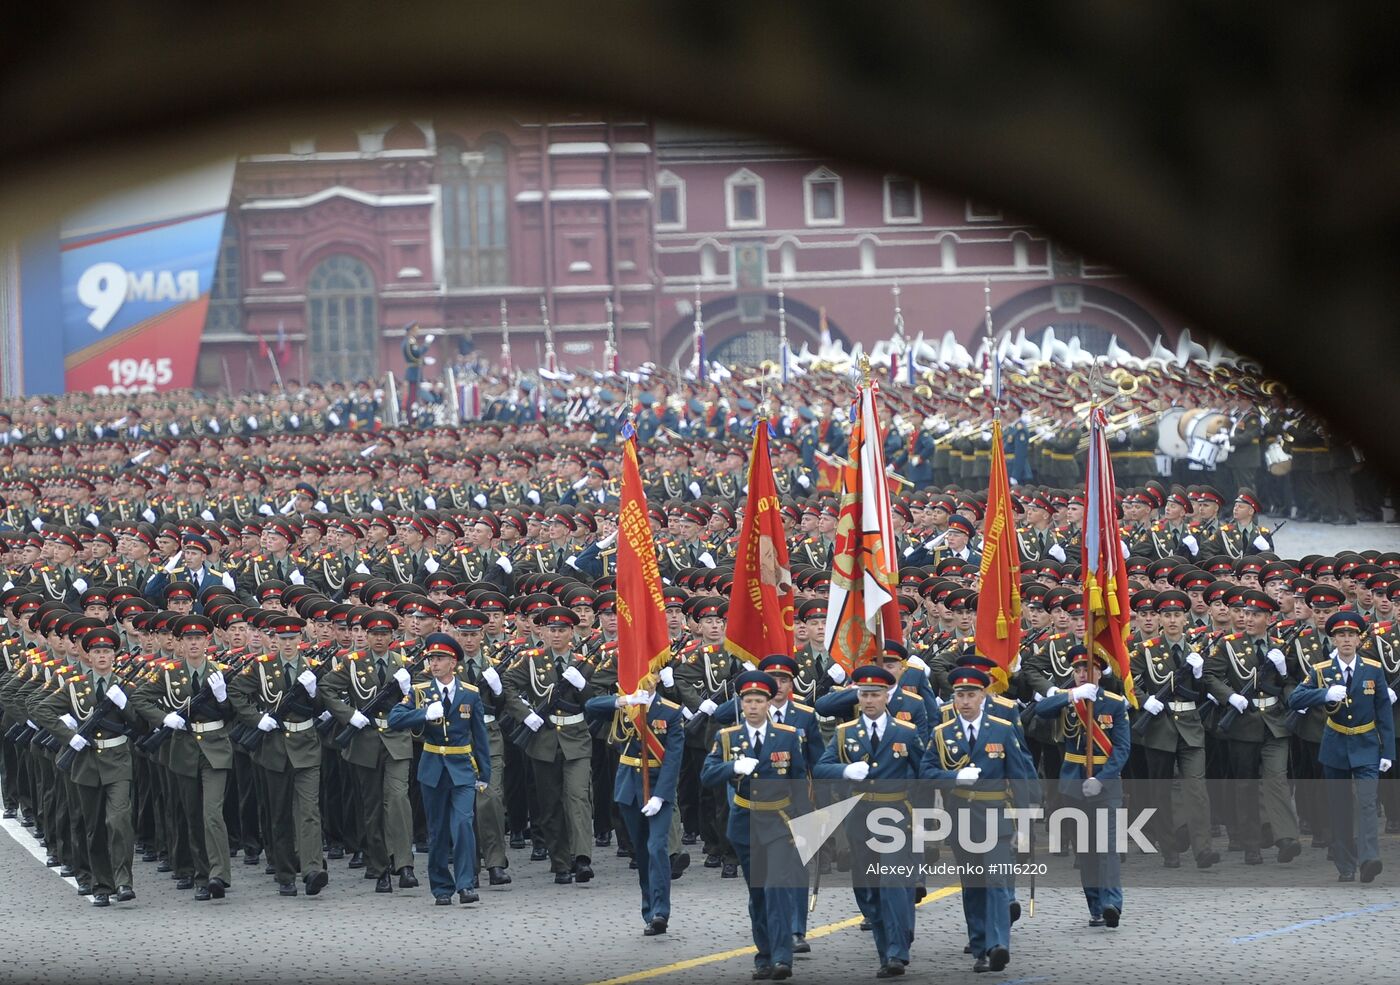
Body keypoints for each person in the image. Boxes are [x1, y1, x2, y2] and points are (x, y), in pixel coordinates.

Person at [918, 666, 1035, 974]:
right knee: (973, 885)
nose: (966, 701)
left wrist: (1025, 826)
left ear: (983, 696)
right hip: (960, 819)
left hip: (996, 816)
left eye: (972, 695)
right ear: (953, 698)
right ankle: (981, 946)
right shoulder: (941, 734)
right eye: (960, 695)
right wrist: (954, 776)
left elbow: (1020, 779)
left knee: (996, 881)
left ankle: (998, 945)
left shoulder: (1002, 729)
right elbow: (926, 774)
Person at [812, 664, 925, 978]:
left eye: (876, 694)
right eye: (864, 694)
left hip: (896, 818)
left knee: (892, 882)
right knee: (867, 888)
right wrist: (844, 771)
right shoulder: (845, 733)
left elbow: (923, 774)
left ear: (888, 695)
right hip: (860, 818)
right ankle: (888, 943)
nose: (870, 700)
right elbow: (822, 767)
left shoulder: (906, 732)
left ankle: (896, 951)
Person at [701, 670, 808, 981]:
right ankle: (764, 956)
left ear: (768, 703)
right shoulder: (727, 737)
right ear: (741, 703)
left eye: (759, 700)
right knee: (758, 893)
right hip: (745, 823)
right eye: (747, 700)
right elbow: (706, 776)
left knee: (777, 889)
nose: (753, 706)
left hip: (780, 822)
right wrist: (731, 766)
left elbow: (798, 781)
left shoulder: (788, 736)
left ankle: (781, 958)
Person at [128, 614, 234, 901]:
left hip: (215, 749)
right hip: (184, 748)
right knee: (192, 815)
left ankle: (219, 874)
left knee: (212, 812)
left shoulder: (221, 671)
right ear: (180, 643)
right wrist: (165, 718)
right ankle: (201, 876)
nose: (194, 643)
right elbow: (139, 699)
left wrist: (224, 699)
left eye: (199, 638)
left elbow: (234, 714)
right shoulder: (169, 672)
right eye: (189, 639)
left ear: (207, 641)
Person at [1287, 611, 1396, 882]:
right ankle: (1345, 863)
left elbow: (1383, 712)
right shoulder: (1322, 670)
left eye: (1351, 635)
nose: (1346, 639)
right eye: (1340, 635)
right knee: (1340, 806)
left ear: (1359, 640)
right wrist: (1324, 693)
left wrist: (1388, 753)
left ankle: (1370, 859)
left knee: (1368, 803)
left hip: (1366, 744)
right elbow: (1295, 699)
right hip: (1335, 745)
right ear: (1333, 640)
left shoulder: (1372, 668)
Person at [32, 626, 137, 907]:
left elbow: (140, 724)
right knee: (94, 827)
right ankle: (101, 883)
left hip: (117, 761)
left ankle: (123, 880)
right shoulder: (76, 685)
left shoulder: (126, 685)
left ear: (115, 655)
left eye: (107, 651)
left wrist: (125, 705)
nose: (102, 656)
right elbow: (41, 709)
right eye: (96, 651)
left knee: (119, 821)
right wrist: (70, 735)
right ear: (88, 656)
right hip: (87, 762)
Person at [227, 612, 329, 897]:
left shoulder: (313, 667)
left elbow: (324, 706)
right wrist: (255, 718)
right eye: (281, 638)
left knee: (309, 811)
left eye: (292, 638)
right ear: (274, 639)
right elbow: (236, 692)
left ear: (300, 638)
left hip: (306, 743)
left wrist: (313, 692)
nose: (287, 644)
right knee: (280, 812)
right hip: (274, 747)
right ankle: (285, 873)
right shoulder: (261, 667)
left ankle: (312, 869)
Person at [318, 610, 419, 893]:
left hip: (397, 739)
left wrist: (410, 690)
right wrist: (348, 715)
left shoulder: (404, 664)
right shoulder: (351, 663)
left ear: (392, 637)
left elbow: (422, 696)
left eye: (384, 634)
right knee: (372, 806)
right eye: (374, 634)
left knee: (398, 800)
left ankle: (404, 864)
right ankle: (380, 867)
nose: (378, 638)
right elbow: (326, 689)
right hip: (365, 740)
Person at [388, 632, 492, 904]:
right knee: (438, 831)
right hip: (433, 767)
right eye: (432, 658)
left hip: (462, 768)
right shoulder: (420, 692)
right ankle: (441, 888)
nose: (434, 663)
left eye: (440, 658)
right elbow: (395, 718)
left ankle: (466, 884)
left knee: (463, 825)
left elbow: (480, 736)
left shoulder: (470, 694)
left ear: (453, 662)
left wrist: (484, 774)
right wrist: (423, 713)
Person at [1035, 645, 1131, 927]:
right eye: (1076, 670)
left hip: (1106, 782)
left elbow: (1123, 748)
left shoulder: (1114, 703)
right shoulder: (1067, 700)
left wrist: (1101, 779)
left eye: (1087, 669)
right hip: (1073, 783)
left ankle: (1113, 902)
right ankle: (1096, 906)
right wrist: (1072, 695)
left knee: (1108, 847)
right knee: (1086, 851)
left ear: (1099, 673)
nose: (1081, 674)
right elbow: (1040, 710)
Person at [584, 680, 686, 935]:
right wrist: (624, 701)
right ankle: (649, 908)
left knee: (657, 847)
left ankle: (661, 912)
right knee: (641, 851)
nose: (646, 682)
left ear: (658, 680)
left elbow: (673, 759)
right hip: (630, 785)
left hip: (657, 785)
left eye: (651, 676)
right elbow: (590, 706)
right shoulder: (626, 707)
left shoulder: (671, 712)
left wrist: (661, 796)